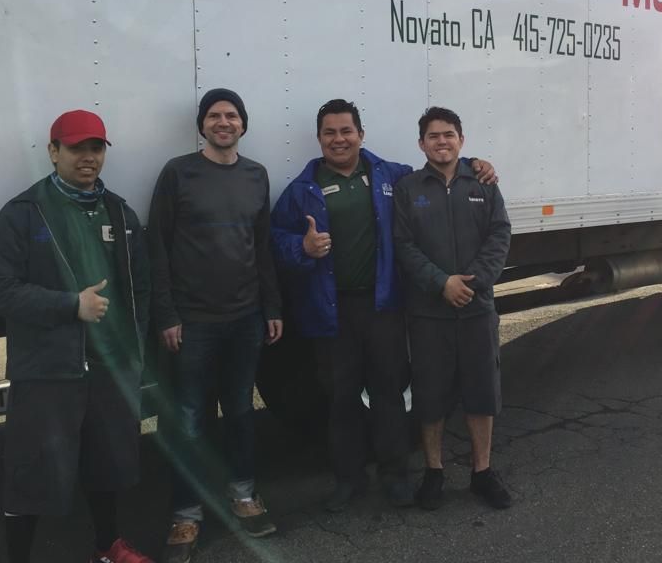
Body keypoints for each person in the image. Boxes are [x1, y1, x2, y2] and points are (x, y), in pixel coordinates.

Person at [270, 99, 495, 513]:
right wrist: (301, 247)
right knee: (340, 398)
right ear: (319, 139)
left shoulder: (391, 176)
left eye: (346, 131)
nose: (339, 139)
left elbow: (440, 169)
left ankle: (395, 476)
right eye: (330, 133)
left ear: (361, 134)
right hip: (331, 309)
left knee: (388, 394)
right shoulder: (302, 190)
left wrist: (477, 163)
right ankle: (347, 479)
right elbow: (277, 241)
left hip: (383, 305)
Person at [0, 110, 152, 563]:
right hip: (48, 369)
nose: (88, 157)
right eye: (76, 148)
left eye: (96, 148)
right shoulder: (24, 214)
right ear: (53, 151)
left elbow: (142, 287)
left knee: (107, 464)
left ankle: (108, 545)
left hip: (109, 369)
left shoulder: (120, 211)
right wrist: (69, 305)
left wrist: (133, 348)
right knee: (31, 473)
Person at [148, 89, 283, 563]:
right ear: (202, 126)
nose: (223, 122)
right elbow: (157, 249)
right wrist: (166, 315)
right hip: (193, 323)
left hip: (246, 318)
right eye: (214, 116)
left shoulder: (256, 175)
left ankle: (243, 494)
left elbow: (262, 247)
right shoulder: (178, 173)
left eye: (231, 115)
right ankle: (186, 515)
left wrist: (272, 307)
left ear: (243, 124)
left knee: (241, 411)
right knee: (187, 419)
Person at [392, 106, 513, 511]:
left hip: (477, 309)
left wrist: (473, 282)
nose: (441, 141)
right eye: (432, 136)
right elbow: (403, 245)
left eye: (448, 134)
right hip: (429, 313)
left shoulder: (483, 183)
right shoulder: (409, 188)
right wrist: (441, 282)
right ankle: (434, 472)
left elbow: (500, 234)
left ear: (461, 139)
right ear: (421, 143)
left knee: (482, 393)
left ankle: (482, 472)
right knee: (430, 395)